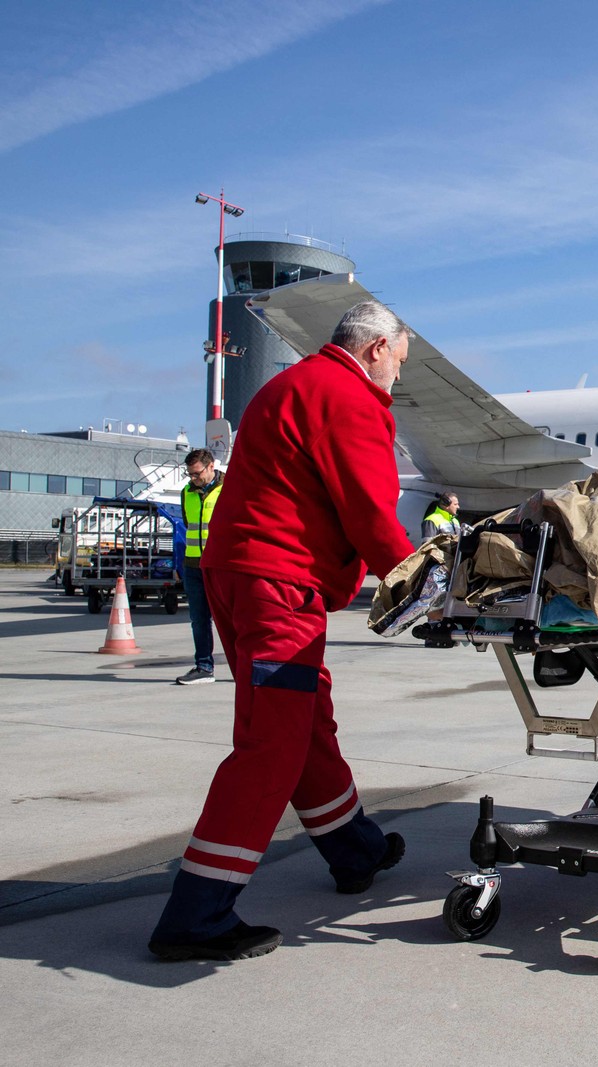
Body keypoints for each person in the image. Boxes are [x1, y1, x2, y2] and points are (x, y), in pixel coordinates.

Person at [148, 301, 419, 961]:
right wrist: (419, 581)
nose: (397, 381)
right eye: (400, 364)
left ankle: (356, 850)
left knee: (304, 723)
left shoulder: (292, 385)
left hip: (239, 578)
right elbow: (369, 511)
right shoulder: (350, 399)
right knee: (272, 744)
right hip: (278, 584)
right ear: (379, 347)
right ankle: (196, 913)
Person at [175, 448, 224, 685]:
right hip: (194, 565)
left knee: (232, 619)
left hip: (222, 565)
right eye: (190, 475)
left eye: (197, 474)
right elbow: (188, 525)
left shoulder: (229, 489)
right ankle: (204, 667)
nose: (194, 479)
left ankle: (244, 666)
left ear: (211, 466)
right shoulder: (186, 493)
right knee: (199, 619)